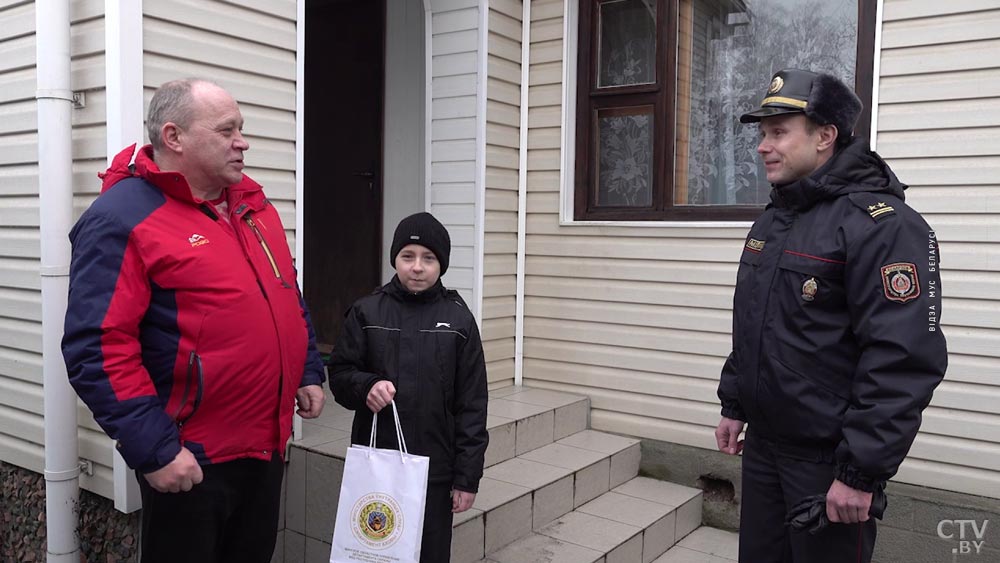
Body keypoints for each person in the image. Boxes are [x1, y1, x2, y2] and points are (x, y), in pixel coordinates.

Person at [62, 79, 326, 563]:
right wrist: (155, 449)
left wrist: (307, 368)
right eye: (227, 130)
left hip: (266, 445)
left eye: (241, 129)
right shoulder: (122, 218)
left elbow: (284, 291)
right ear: (174, 136)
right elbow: (97, 347)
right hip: (191, 459)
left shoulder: (253, 206)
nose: (242, 142)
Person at [715, 69, 947, 562]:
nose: (762, 146)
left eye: (778, 132)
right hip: (764, 450)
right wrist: (734, 402)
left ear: (825, 136)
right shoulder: (775, 219)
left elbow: (901, 359)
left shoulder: (883, 227)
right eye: (762, 134)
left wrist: (860, 473)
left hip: (828, 466)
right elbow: (753, 322)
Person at [329, 212, 489, 563]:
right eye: (408, 256)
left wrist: (467, 477)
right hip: (379, 468)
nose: (417, 267)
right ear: (395, 260)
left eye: (428, 258)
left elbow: (472, 405)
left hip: (436, 471)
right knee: (374, 553)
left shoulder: (459, 322)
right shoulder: (367, 313)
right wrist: (365, 385)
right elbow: (340, 375)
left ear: (441, 264)